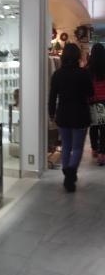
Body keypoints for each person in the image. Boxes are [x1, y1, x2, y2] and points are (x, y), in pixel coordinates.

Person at [49, 43, 93, 192]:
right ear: (78, 56)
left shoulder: (57, 74)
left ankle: (67, 171)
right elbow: (91, 93)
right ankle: (71, 172)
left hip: (63, 114)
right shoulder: (83, 73)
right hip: (80, 114)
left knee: (66, 146)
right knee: (77, 147)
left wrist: (51, 113)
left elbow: (52, 96)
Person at [88, 43, 105, 164]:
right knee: (104, 128)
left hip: (93, 101)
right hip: (104, 101)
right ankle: (102, 154)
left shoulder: (88, 69)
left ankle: (94, 149)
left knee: (94, 126)